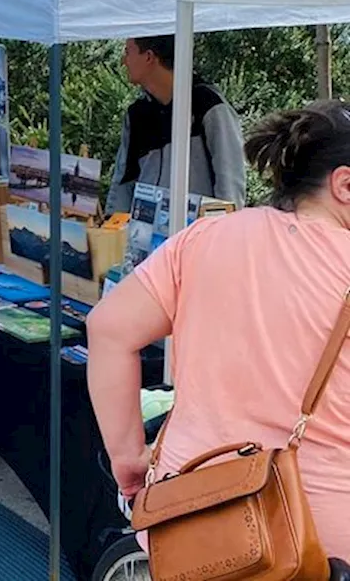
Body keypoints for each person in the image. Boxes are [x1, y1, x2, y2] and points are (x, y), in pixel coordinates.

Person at [87, 100, 350, 562]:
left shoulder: (207, 237)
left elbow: (107, 328)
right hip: (317, 541)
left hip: (190, 517)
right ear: (344, 184)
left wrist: (128, 458)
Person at [107, 35, 246, 213]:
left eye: (127, 52)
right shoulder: (136, 114)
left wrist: (223, 232)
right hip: (145, 236)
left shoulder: (208, 105)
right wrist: (112, 225)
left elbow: (230, 181)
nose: (123, 61)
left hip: (197, 236)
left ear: (149, 56)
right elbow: (124, 179)